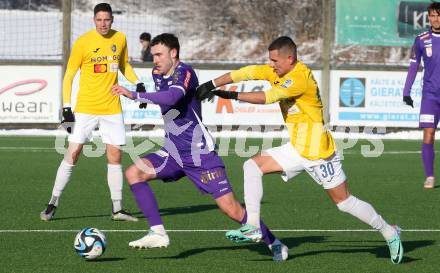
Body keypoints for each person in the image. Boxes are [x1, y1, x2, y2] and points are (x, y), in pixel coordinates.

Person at [196, 36, 404, 264]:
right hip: (296, 148)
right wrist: (211, 84)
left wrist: (233, 95)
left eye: (275, 60)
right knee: (252, 166)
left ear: (290, 58)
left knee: (344, 203)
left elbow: (268, 97)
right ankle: (253, 225)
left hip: (318, 151)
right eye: (270, 60)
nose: (271, 64)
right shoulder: (276, 71)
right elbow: (245, 73)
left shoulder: (299, 79)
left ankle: (389, 232)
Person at [111, 33, 288, 261]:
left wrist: (135, 95)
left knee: (231, 209)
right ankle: (157, 232)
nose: (154, 59)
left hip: (199, 154)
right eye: (153, 54)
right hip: (173, 152)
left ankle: (273, 242)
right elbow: (163, 96)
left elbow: (173, 97)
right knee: (134, 172)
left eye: (159, 54)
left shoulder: (185, 72)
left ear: (173, 53)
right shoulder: (157, 73)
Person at [40, 3, 143, 222]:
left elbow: (124, 65)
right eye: (99, 20)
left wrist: (138, 83)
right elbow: (69, 75)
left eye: (107, 20)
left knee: (115, 156)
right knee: (73, 152)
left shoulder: (120, 39)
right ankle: (52, 202)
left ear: (112, 20)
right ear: (93, 20)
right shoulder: (83, 42)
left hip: (112, 107)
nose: (103, 24)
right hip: (86, 107)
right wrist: (67, 107)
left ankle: (117, 209)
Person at [403, 2, 440, 189]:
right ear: (429, 17)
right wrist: (406, 91)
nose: (436, 19)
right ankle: (430, 176)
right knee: (429, 134)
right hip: (430, 96)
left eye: (439, 15)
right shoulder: (421, 39)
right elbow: (413, 66)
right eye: (432, 15)